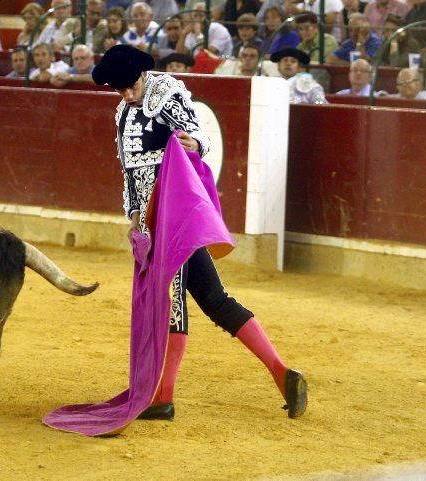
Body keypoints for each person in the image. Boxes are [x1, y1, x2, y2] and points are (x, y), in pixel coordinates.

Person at [89, 44, 307, 422]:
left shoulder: (166, 94)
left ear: (141, 76)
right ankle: (281, 372)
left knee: (171, 304)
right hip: (151, 223)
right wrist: (134, 218)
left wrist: (196, 143)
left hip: (174, 220)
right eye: (118, 89)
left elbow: (198, 138)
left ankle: (163, 399)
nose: (126, 94)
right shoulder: (123, 112)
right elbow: (130, 173)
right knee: (214, 299)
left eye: (129, 86)